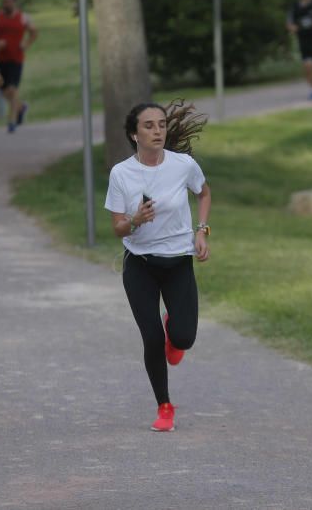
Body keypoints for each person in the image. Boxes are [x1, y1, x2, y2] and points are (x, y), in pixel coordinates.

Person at [105, 101, 212, 433]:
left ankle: (174, 330)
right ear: (134, 134)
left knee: (183, 338)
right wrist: (135, 220)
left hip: (178, 261)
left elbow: (204, 194)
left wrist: (202, 231)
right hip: (140, 264)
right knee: (151, 337)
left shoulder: (183, 165)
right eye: (149, 125)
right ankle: (164, 406)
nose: (157, 131)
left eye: (161, 124)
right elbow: (118, 227)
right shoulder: (121, 173)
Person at [0, 0, 38, 133]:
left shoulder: (23, 18)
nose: (6, 4)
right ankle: (21, 107)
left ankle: (12, 121)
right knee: (3, 90)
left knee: (12, 90)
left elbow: (34, 31)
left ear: (14, 1)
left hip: (16, 59)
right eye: (4, 1)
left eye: (9, 1)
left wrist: (26, 44)